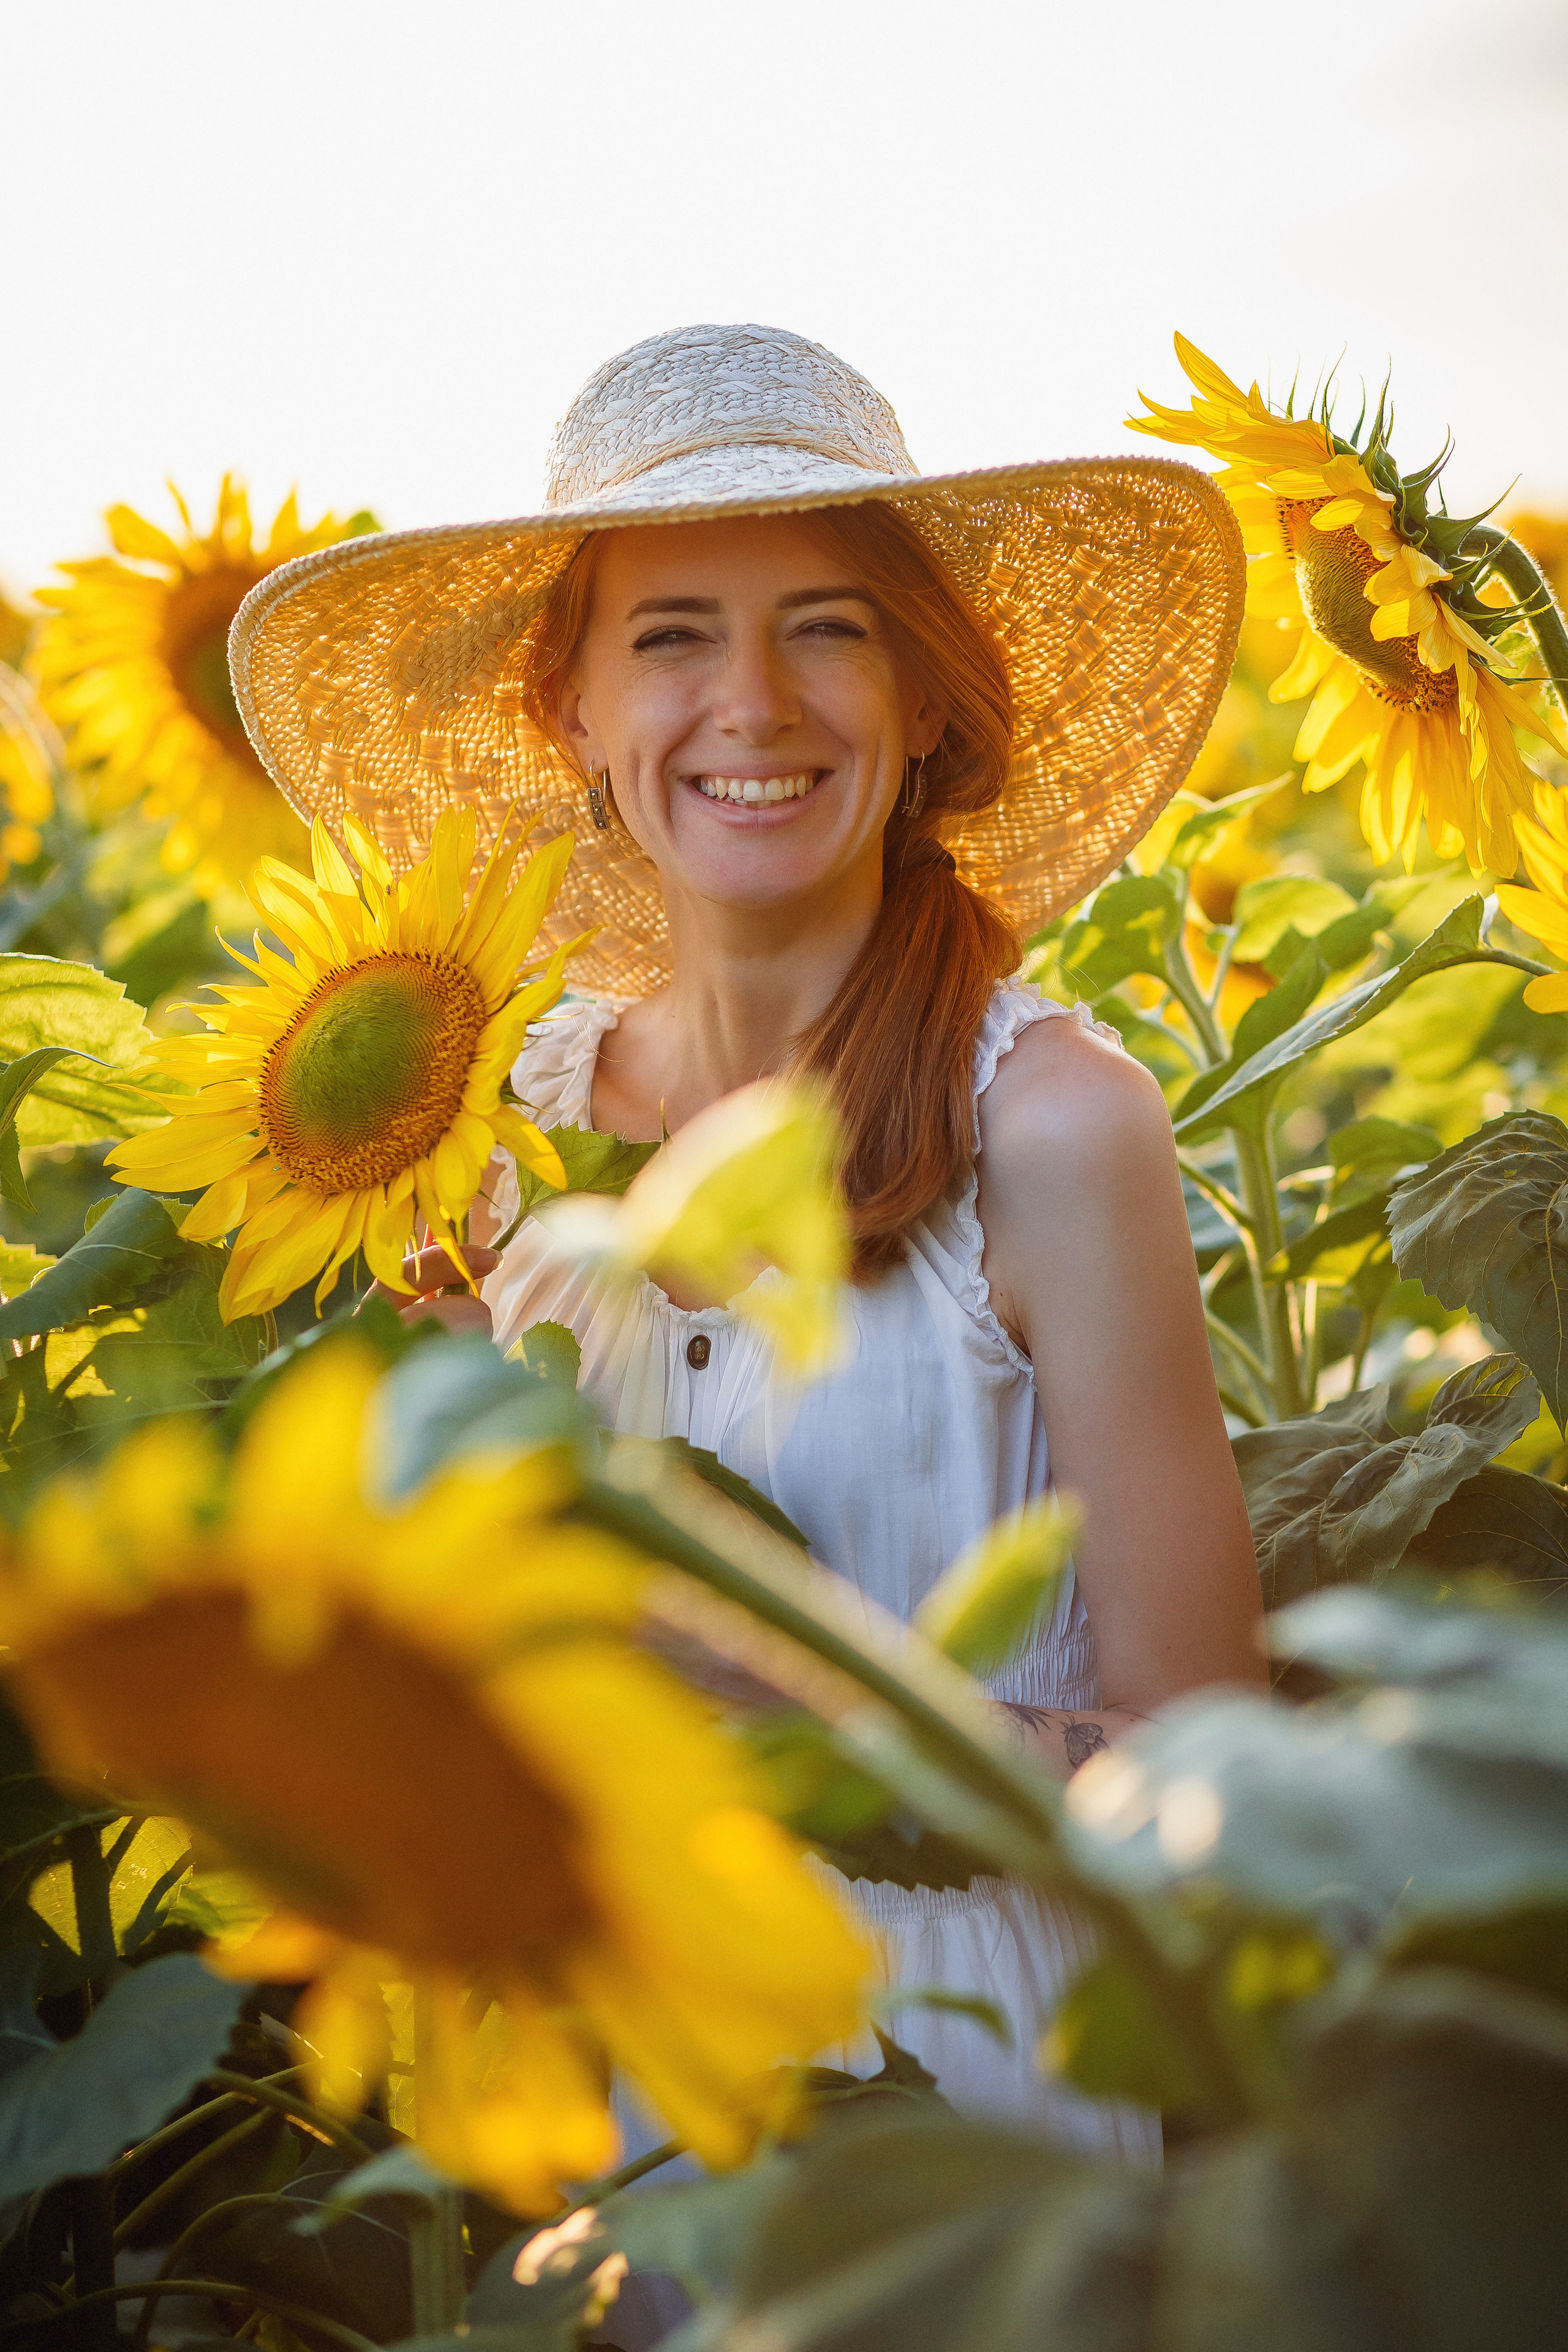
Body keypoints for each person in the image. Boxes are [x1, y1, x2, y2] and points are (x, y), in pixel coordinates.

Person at [229, 324, 1262, 2164]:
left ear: (931, 696)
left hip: (967, 2123)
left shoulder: (1048, 1131)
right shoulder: (482, 1131)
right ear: (573, 718)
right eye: (673, 634)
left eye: (829, 625)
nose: (755, 703)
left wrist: (747, 1664)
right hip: (585, 2097)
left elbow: (1225, 1796)